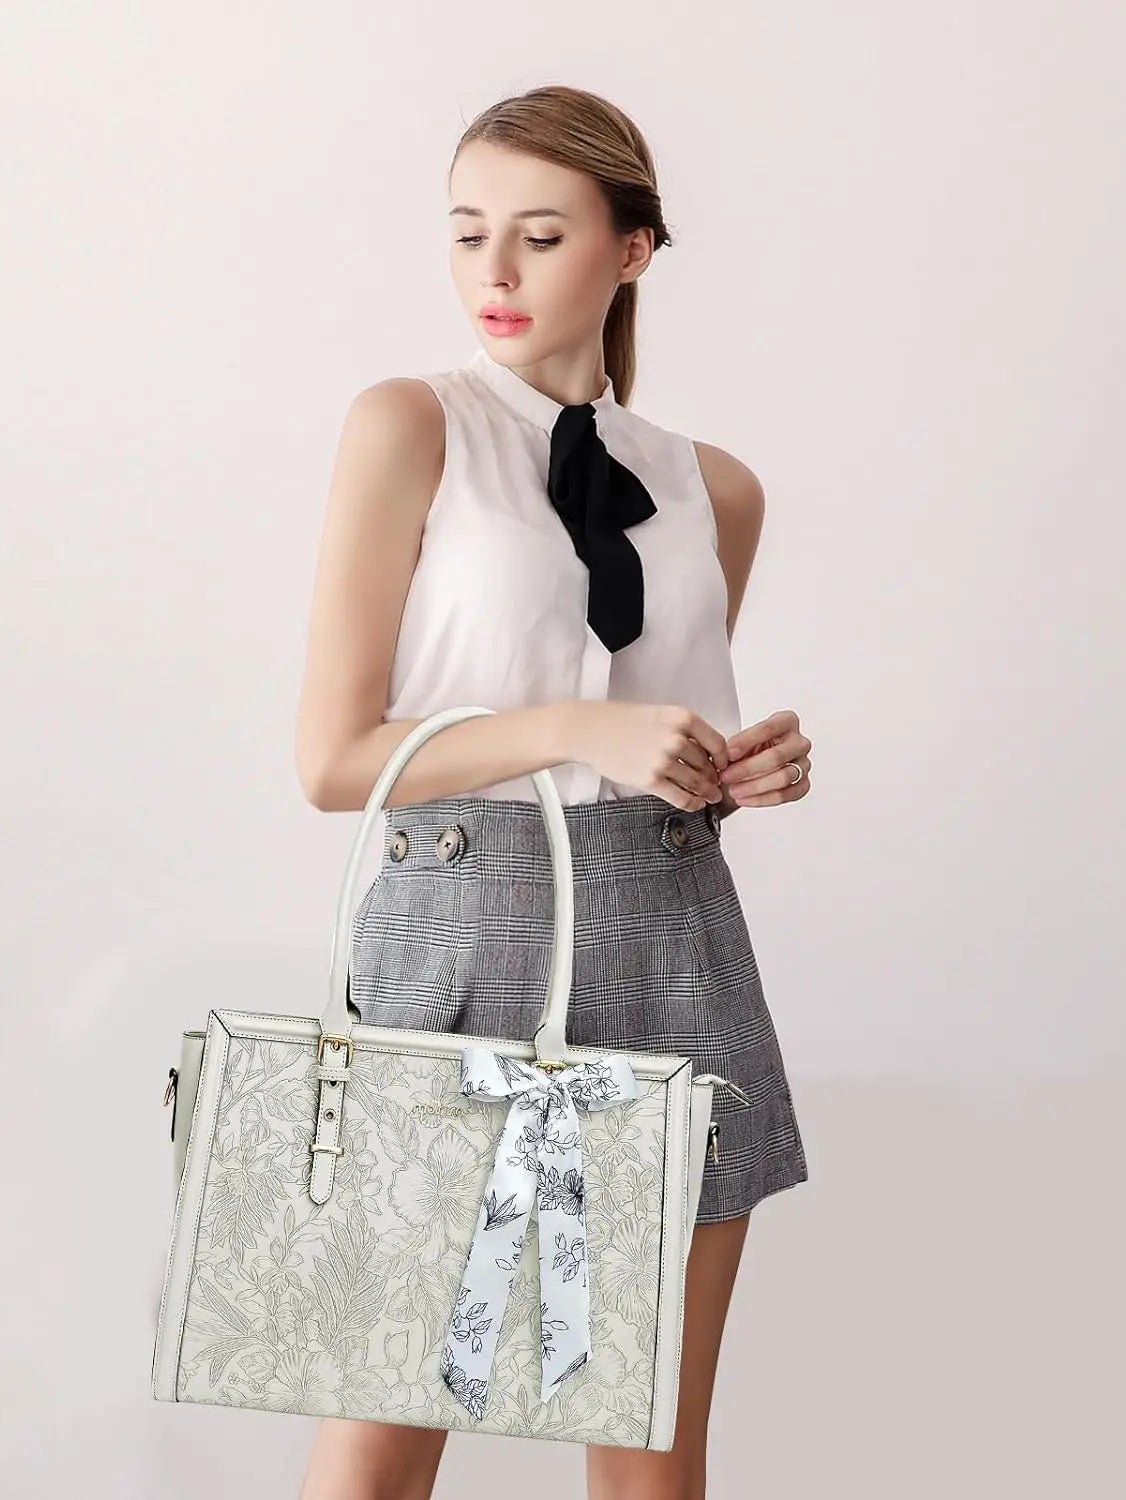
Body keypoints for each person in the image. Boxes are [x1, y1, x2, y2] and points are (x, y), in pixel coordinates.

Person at [293, 84, 811, 1500]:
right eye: (469, 234)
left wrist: (735, 772)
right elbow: (335, 761)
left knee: (648, 1451)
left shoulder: (714, 489)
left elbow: (653, 745)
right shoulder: (412, 425)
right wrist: (572, 726)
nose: (496, 272)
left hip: (673, 936)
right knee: (383, 1434)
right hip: (460, 939)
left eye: (539, 234)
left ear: (631, 250)